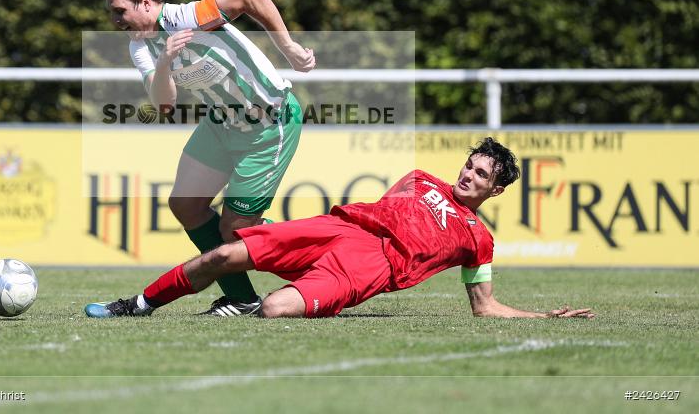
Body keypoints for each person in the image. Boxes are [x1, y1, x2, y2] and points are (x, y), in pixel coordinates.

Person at [85, 137, 595, 319]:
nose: (469, 175)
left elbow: (484, 307)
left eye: (482, 174)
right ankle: (136, 305)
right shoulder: (419, 179)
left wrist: (542, 316)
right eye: (470, 165)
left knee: (274, 307)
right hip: (341, 227)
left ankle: (245, 306)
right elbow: (386, 206)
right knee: (223, 254)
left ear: (495, 190)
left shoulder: (479, 240)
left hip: (370, 267)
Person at [100, 0, 316, 316]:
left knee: (234, 231)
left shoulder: (189, 16)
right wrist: (166, 60)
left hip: (269, 123)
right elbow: (164, 104)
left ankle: (319, 253)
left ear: (144, 2)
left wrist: (288, 47)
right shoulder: (140, 47)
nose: (115, 20)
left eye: (119, 10)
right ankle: (243, 300)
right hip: (221, 124)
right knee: (185, 205)